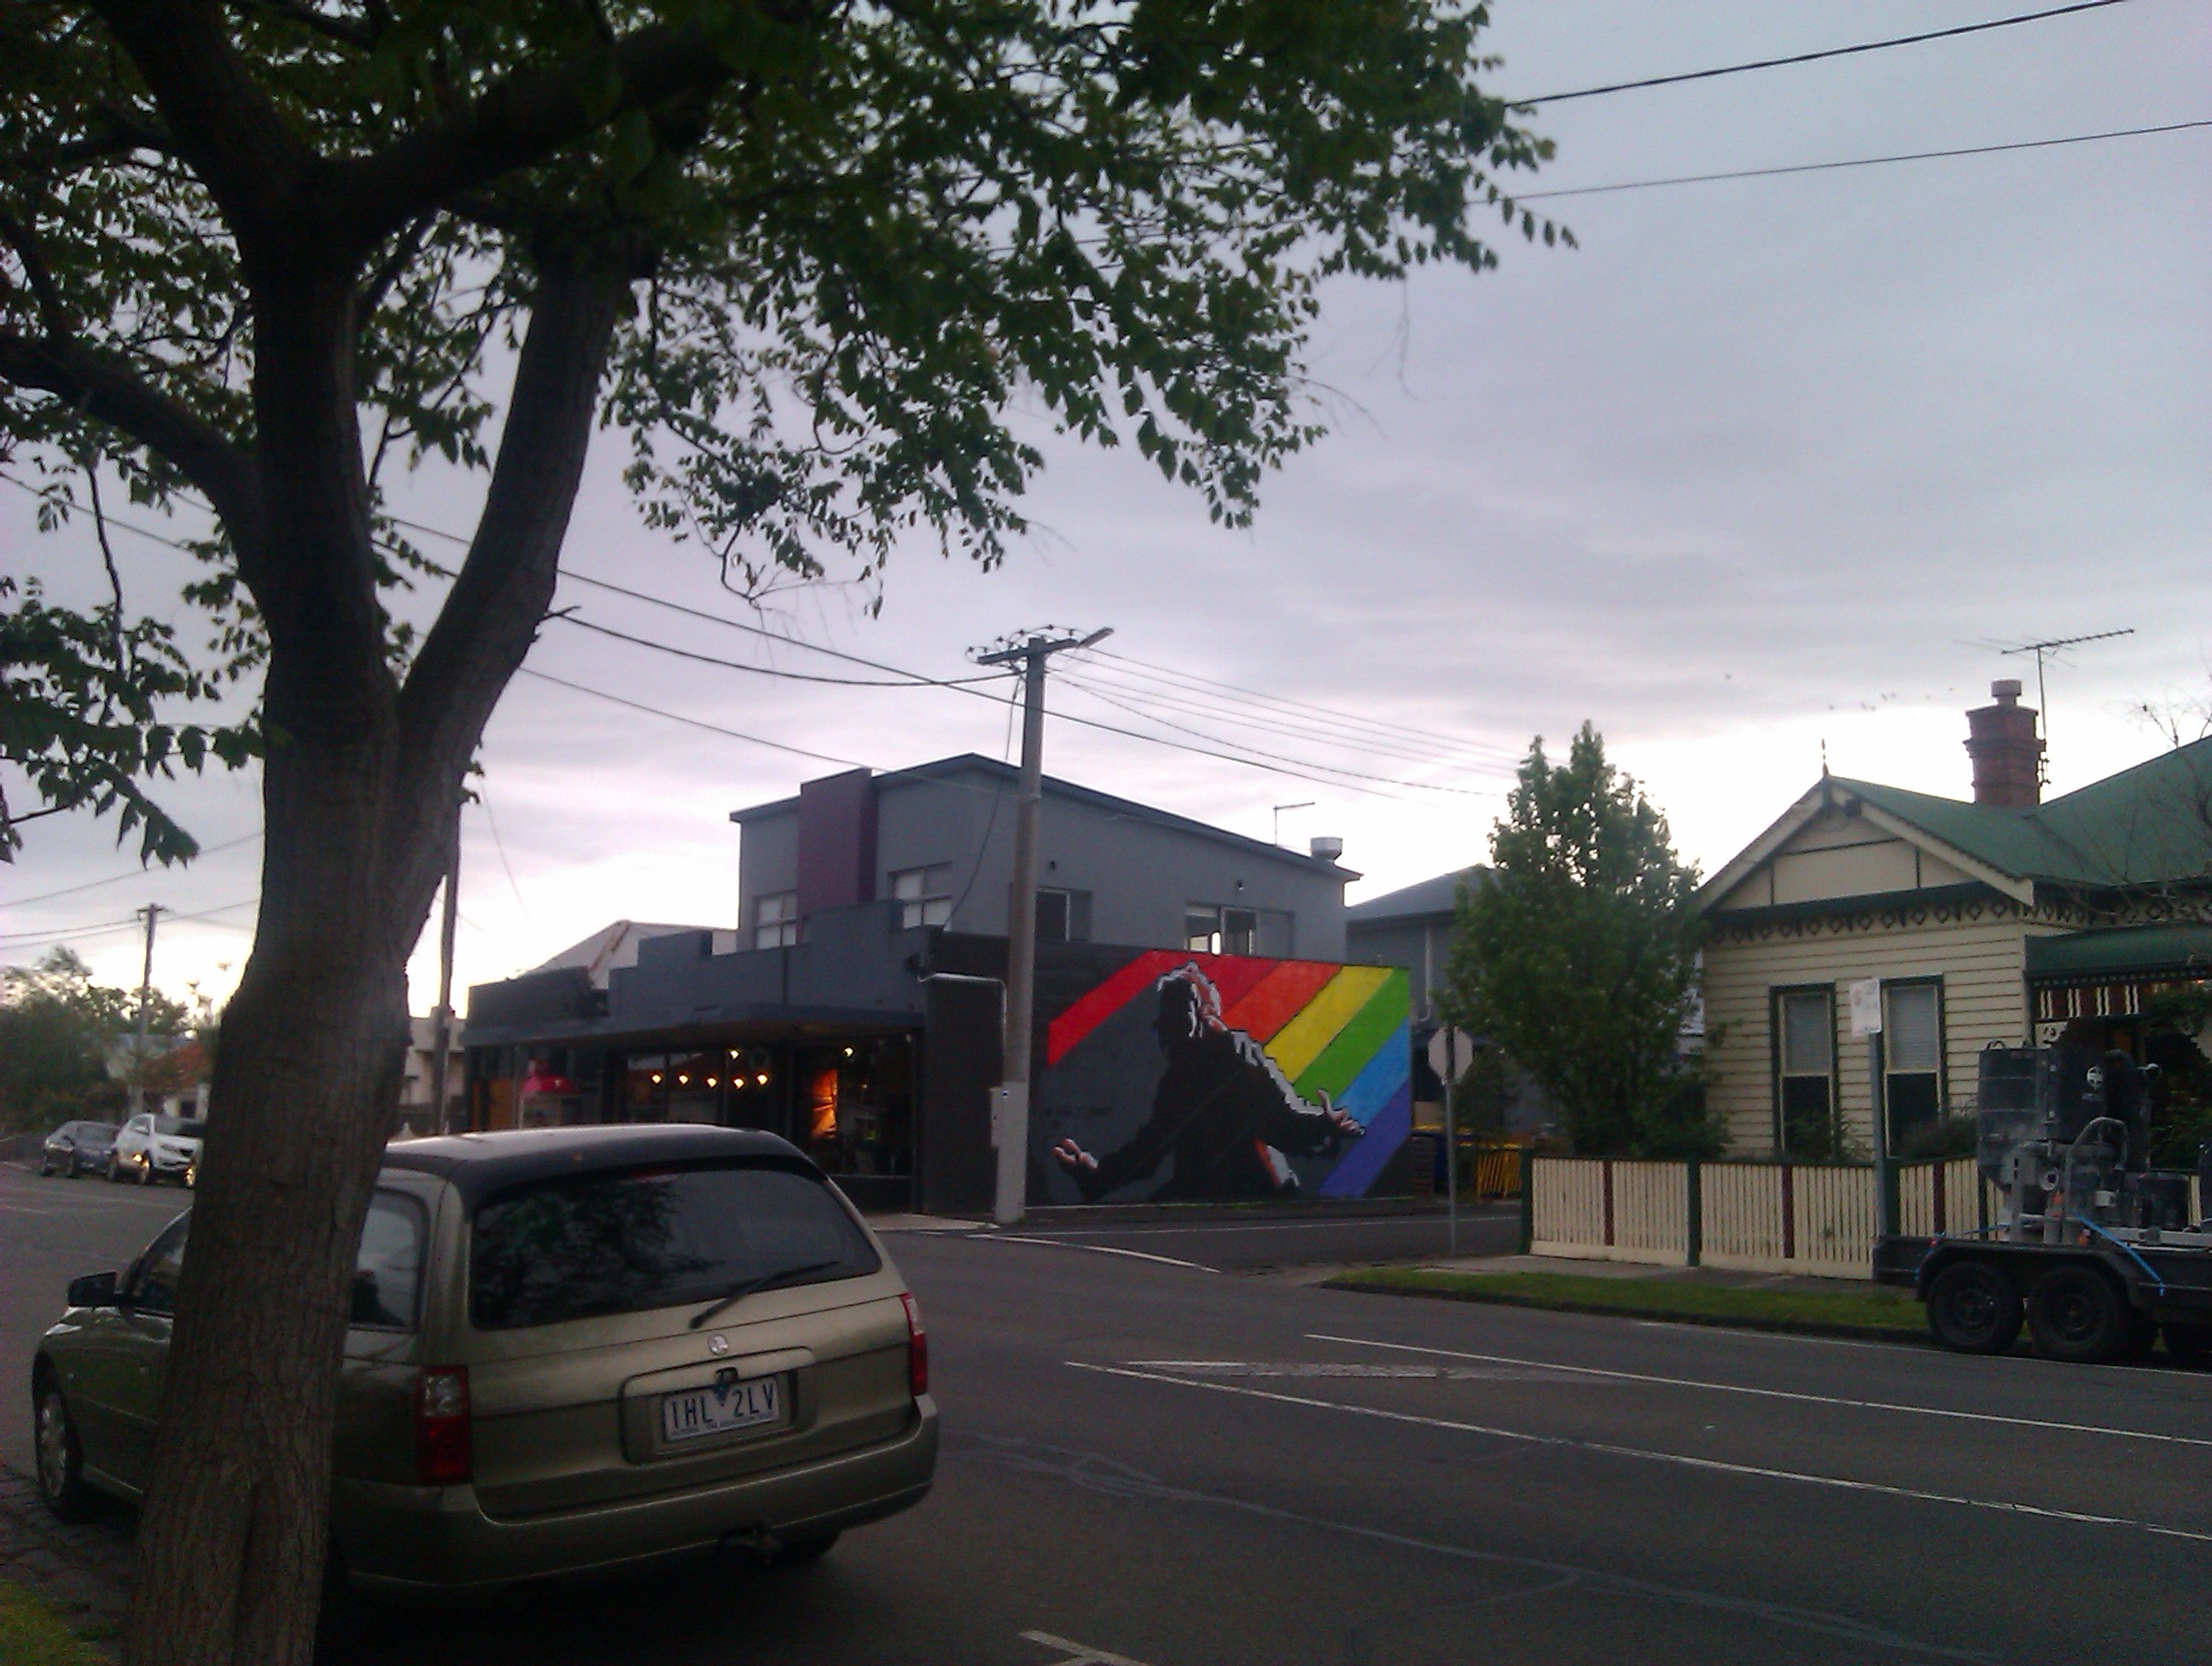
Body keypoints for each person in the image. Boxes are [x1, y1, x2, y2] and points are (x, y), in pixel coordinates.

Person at [1053, 962, 1361, 1201]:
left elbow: (1277, 1123)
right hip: (1229, 1191)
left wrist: (1095, 1176)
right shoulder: (1191, 1071)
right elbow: (1150, 1149)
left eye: (1176, 1014)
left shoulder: (1224, 1057)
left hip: (1250, 1190)